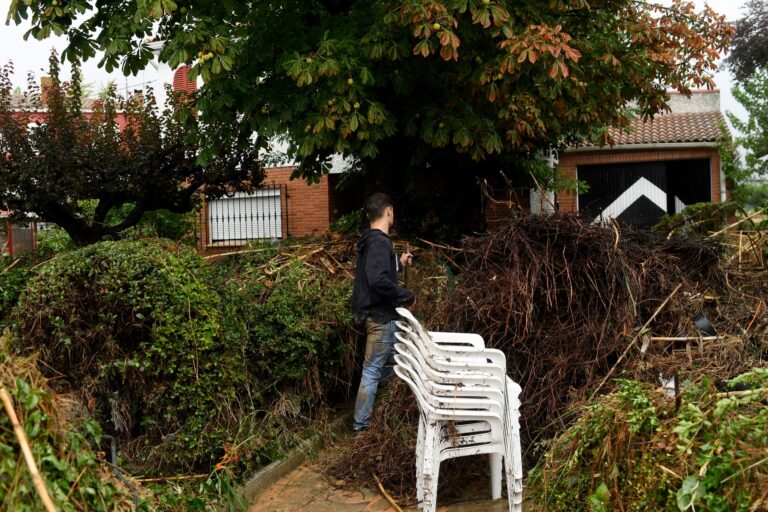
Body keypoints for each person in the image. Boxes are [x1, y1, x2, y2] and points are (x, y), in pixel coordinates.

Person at [351, 192, 414, 432]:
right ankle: (361, 426)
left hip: (378, 316)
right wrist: (406, 296)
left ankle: (384, 417)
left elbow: (379, 272)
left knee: (389, 367)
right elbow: (378, 279)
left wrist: (398, 261)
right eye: (393, 211)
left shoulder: (372, 241)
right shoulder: (379, 241)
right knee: (374, 370)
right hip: (381, 317)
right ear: (388, 211)